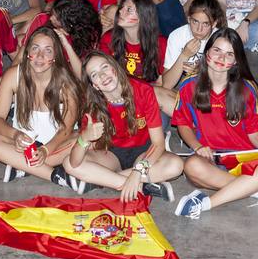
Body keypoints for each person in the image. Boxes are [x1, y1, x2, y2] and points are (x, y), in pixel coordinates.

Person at [172, 28, 258, 219]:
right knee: (191, 166)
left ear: (236, 61)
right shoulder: (189, 85)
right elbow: (183, 125)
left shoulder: (248, 89)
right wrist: (197, 146)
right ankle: (254, 188)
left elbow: (254, 133)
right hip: (210, 158)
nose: (221, 58)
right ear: (207, 52)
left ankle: (205, 204)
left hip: (243, 157)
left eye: (229, 54)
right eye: (216, 50)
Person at [65, 51, 183, 202]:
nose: (102, 75)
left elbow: (158, 144)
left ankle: (101, 180)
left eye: (105, 67)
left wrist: (137, 172)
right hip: (112, 155)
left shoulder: (143, 90)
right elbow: (74, 162)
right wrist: (84, 138)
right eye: (94, 75)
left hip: (145, 151)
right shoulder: (93, 107)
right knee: (69, 163)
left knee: (176, 166)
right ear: (94, 85)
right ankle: (142, 187)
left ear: (114, 67)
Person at [0, 26, 84, 188]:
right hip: (24, 146)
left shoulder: (66, 82)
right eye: (35, 48)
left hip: (57, 145)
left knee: (84, 141)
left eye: (48, 50)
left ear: (55, 56)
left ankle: (22, 167)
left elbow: (66, 129)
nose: (40, 56)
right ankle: (54, 174)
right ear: (27, 52)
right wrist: (14, 134)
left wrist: (45, 150)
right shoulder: (13, 75)